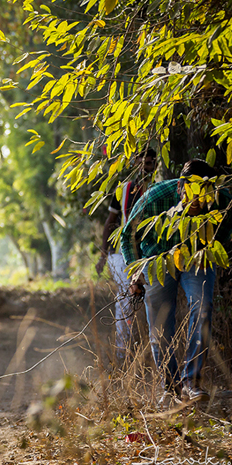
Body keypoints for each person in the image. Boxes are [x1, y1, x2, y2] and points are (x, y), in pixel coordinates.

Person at [120, 159, 232, 404]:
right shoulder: (155, 198)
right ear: (181, 187)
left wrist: (210, 251)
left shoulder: (223, 199)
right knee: (160, 325)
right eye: (193, 195)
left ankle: (192, 382)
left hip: (196, 255)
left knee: (202, 306)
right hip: (157, 258)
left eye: (205, 197)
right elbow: (127, 235)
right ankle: (170, 388)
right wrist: (135, 272)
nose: (199, 203)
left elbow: (223, 232)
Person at [96, 149, 157, 363]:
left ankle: (150, 353)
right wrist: (104, 255)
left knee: (150, 300)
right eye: (142, 161)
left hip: (149, 253)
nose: (146, 165)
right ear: (135, 162)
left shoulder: (158, 186)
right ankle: (123, 355)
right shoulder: (123, 189)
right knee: (126, 300)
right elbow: (111, 221)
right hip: (122, 254)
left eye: (149, 162)